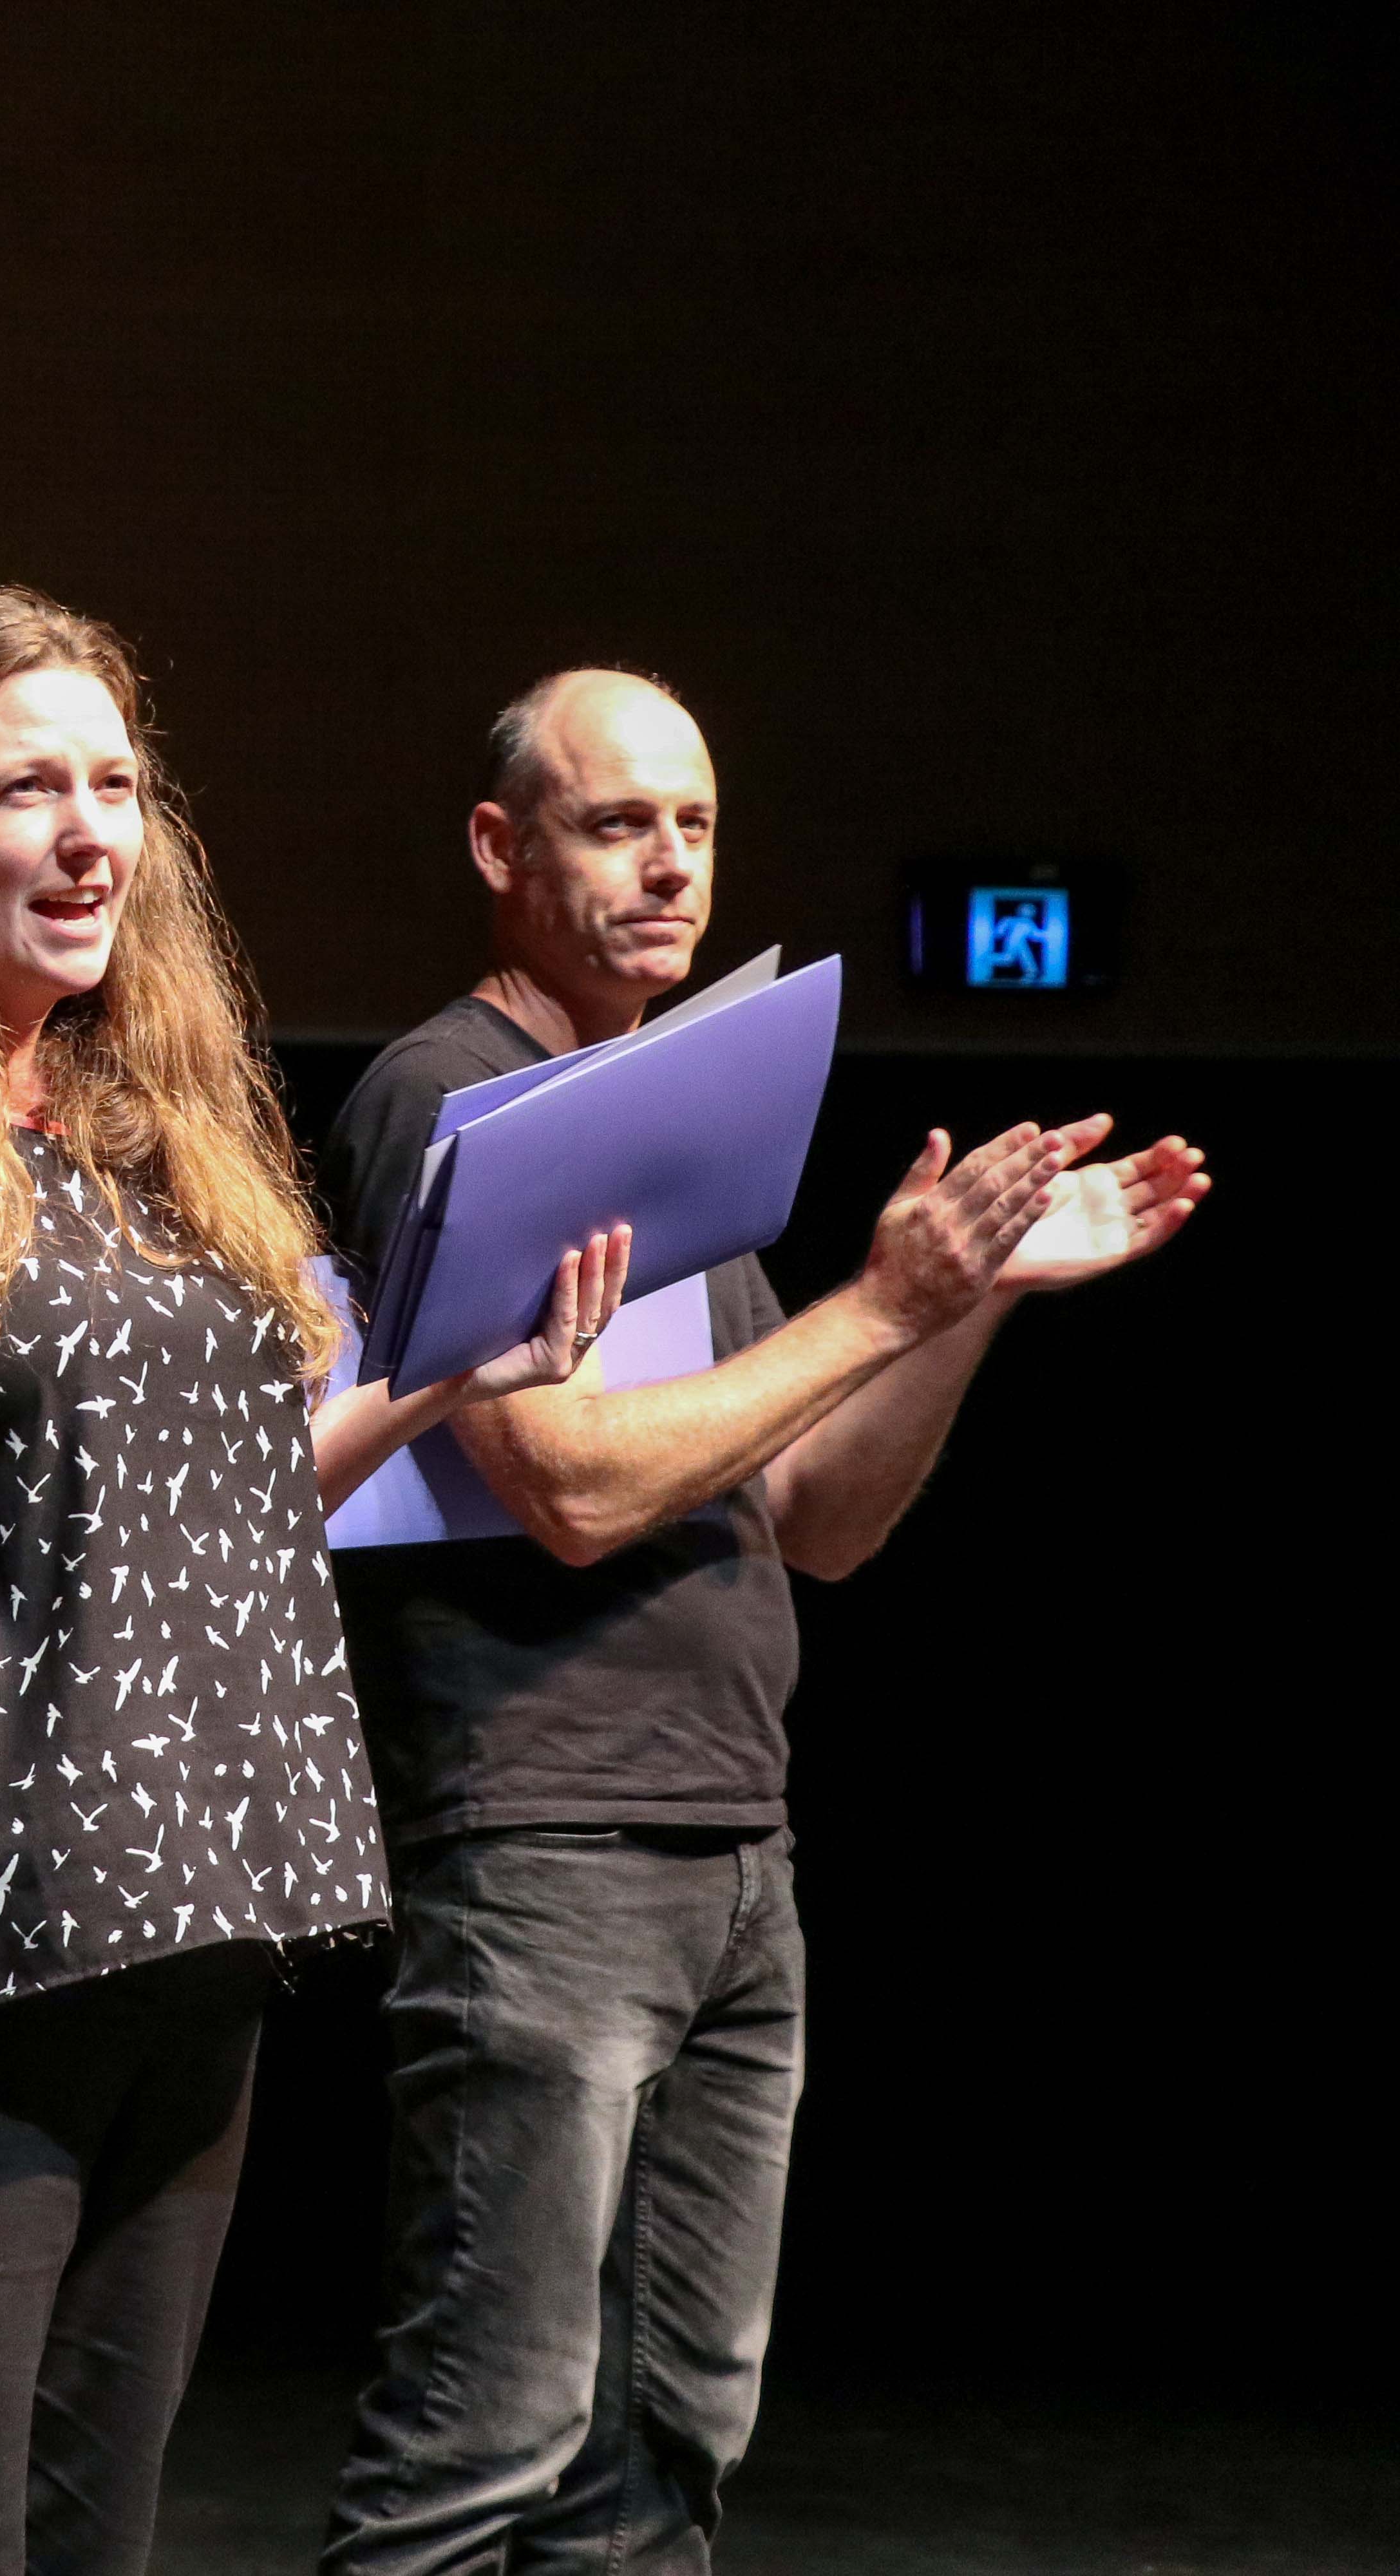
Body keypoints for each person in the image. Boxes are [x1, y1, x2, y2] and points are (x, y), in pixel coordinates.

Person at [0, 587, 629, 2574]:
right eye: (26, 791)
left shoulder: (139, 1136)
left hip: (185, 1939)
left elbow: (213, 1511)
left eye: (118, 786)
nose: (92, 835)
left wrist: (454, 1374)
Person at [312, 668, 1208, 2574]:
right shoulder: (450, 1096)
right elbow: (569, 1490)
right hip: (546, 1853)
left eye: (696, 826)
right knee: (481, 2448)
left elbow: (814, 1520)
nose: (670, 866)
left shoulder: (667, 1120)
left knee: (665, 2456)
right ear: (500, 846)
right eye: (616, 823)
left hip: (735, 1855)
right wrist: (879, 1307)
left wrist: (968, 1301)